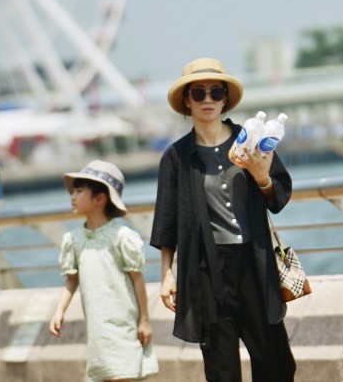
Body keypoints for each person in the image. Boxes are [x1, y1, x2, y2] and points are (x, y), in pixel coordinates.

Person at [150, 58, 296, 381]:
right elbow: (166, 221)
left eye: (216, 93)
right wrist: (166, 275)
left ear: (225, 99)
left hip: (255, 264)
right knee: (222, 371)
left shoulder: (253, 140)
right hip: (206, 271)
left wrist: (261, 177)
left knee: (276, 364)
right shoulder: (175, 157)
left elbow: (279, 196)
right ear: (187, 100)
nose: (208, 100)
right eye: (198, 93)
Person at [50, 159, 159, 382]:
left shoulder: (122, 237)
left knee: (123, 373)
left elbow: (137, 279)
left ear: (100, 198)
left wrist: (144, 321)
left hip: (123, 324)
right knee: (105, 373)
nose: (72, 196)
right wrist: (60, 310)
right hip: (98, 329)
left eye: (79, 191)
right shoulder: (74, 239)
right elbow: (72, 279)